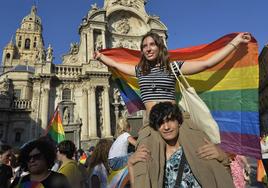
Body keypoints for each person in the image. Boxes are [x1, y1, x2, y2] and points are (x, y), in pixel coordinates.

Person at [94, 31, 251, 187]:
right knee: (143, 163)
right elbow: (115, 64)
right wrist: (100, 57)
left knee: (206, 155)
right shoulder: (139, 71)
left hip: (178, 120)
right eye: (144, 46)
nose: (148, 49)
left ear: (160, 47)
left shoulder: (173, 67)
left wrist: (235, 42)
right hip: (152, 125)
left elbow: (207, 63)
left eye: (152, 44)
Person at [128, 102, 234, 187]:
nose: (166, 127)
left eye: (170, 120)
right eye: (161, 123)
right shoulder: (157, 156)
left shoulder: (196, 147)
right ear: (156, 128)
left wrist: (222, 156)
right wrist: (131, 166)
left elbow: (223, 179)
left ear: (179, 122)